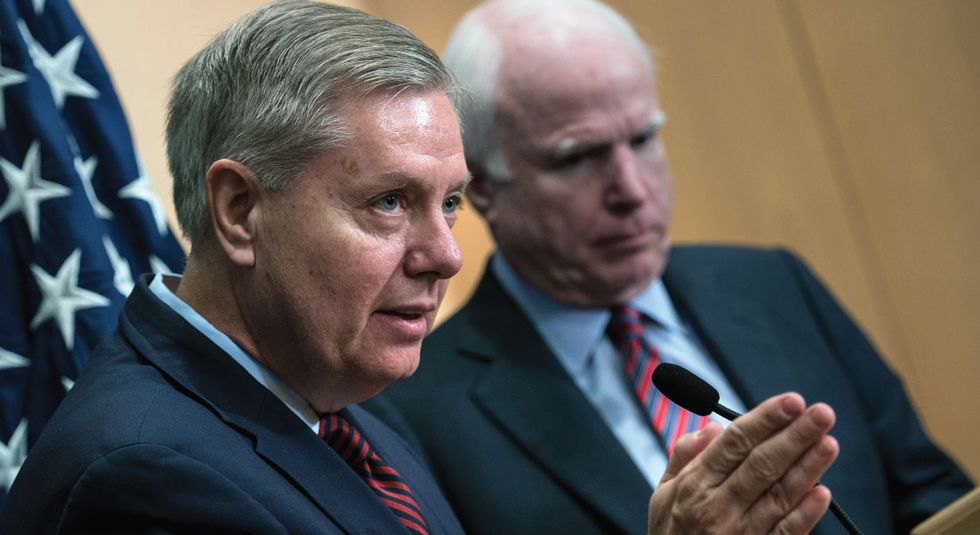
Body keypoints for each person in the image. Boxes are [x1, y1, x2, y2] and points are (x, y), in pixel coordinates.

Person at [367, 1, 974, 534]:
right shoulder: (412, 413)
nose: (632, 190)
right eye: (578, 158)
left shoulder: (773, 285)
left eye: (641, 140)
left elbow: (930, 497)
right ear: (482, 185)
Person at [0, 2, 468, 532]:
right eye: (390, 201)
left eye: (450, 202)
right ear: (240, 210)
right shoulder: (146, 479)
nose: (446, 256)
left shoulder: (341, 412)